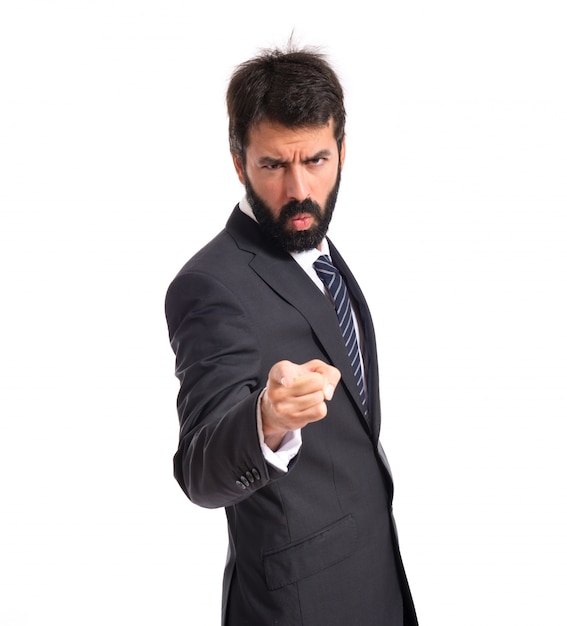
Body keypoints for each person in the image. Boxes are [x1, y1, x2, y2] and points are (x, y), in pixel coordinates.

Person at [165, 44, 418, 626]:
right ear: (239, 163)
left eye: (317, 161)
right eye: (273, 166)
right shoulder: (209, 286)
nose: (299, 190)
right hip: (297, 608)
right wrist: (266, 420)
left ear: (342, 152)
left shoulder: (317, 250)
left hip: (373, 578)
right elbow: (200, 469)